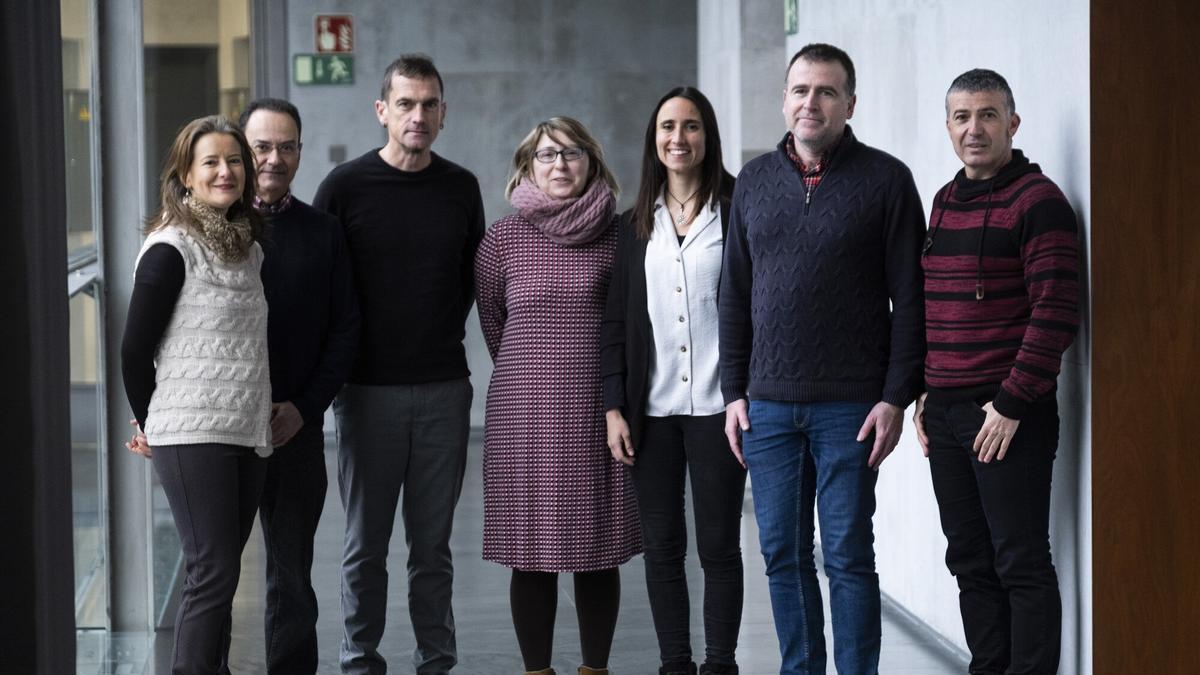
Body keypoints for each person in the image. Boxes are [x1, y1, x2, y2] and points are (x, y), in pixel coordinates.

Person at [718, 43, 926, 674]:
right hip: (768, 407)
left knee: (846, 555)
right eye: (801, 90)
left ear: (850, 104)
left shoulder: (887, 180)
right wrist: (734, 393)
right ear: (784, 99)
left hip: (851, 406)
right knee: (782, 553)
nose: (812, 102)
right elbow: (733, 294)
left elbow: (911, 301)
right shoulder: (752, 180)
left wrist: (895, 397)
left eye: (827, 92)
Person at [312, 54, 485, 675]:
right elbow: (323, 287)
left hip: (444, 390)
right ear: (382, 110)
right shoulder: (344, 186)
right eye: (406, 104)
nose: (418, 115)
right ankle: (359, 659)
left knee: (433, 549)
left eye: (429, 104)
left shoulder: (460, 187)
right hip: (366, 393)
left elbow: (471, 279)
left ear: (444, 113)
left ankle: (437, 660)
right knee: (365, 547)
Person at [913, 68, 1079, 675]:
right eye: (962, 117)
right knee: (970, 560)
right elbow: (936, 306)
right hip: (949, 413)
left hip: (1008, 412)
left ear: (1013, 123)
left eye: (987, 115)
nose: (974, 129)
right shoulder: (945, 200)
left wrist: (1011, 403)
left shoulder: (1039, 202)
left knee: (1020, 561)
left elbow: (1057, 310)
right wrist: (924, 395)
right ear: (949, 127)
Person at [475, 116, 640, 675]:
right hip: (523, 410)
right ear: (528, 166)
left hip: (600, 410)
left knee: (597, 551)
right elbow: (494, 323)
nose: (560, 164)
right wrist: (537, 372)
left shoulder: (621, 234)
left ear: (592, 161)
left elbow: (630, 322)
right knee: (531, 553)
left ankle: (595, 668)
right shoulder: (503, 238)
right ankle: (536, 670)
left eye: (571, 153)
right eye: (546, 156)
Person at [600, 87, 745, 675]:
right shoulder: (632, 226)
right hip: (651, 414)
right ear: (653, 139)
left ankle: (720, 663)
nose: (677, 138)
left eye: (690, 127)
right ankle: (675, 664)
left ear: (706, 136)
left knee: (718, 548)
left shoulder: (738, 210)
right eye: (667, 127)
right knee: (662, 549)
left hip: (720, 409)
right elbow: (615, 322)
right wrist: (613, 407)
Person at [120, 114, 271, 674]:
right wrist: (149, 422)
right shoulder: (170, 247)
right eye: (210, 161)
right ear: (185, 174)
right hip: (190, 430)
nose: (225, 171)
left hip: (244, 428)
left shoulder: (250, 250)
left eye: (234, 160)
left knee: (223, 571)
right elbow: (134, 351)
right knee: (212, 569)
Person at [240, 97, 359, 675]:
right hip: (221, 429)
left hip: (296, 429)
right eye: (262, 145)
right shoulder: (213, 230)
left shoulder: (324, 232)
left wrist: (305, 409)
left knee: (291, 576)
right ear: (242, 149)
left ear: (300, 153)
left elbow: (345, 330)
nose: (274, 157)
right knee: (212, 571)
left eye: (286, 146)